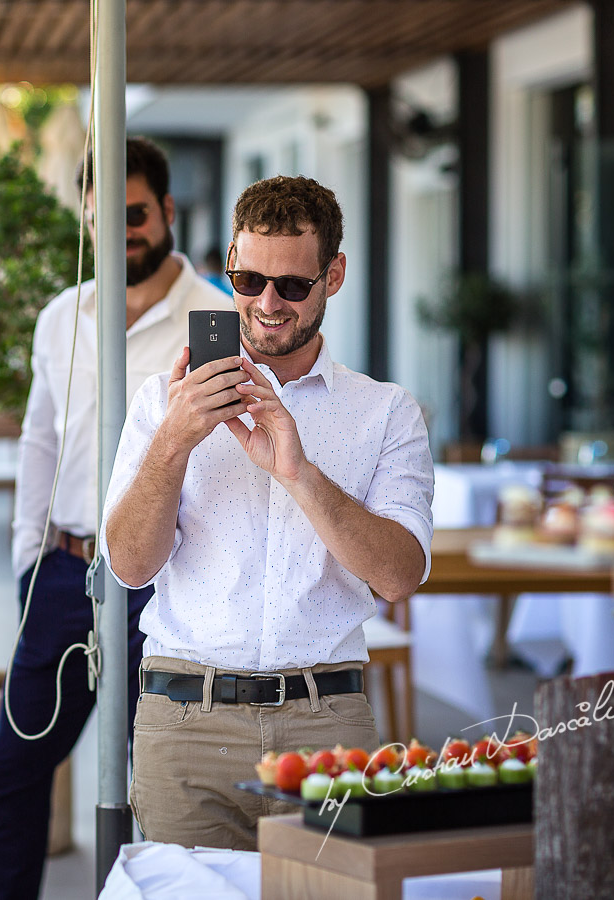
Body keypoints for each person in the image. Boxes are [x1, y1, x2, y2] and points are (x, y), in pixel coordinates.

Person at [100, 175, 435, 850]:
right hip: (185, 717)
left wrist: (300, 474)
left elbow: (399, 576)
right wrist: (174, 440)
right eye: (247, 281)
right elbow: (131, 566)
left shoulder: (385, 411)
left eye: (292, 286)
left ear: (333, 275)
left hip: (325, 720)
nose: (266, 303)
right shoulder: (161, 404)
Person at [0, 137, 234, 900]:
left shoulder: (218, 318)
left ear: (166, 212)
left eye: (136, 214)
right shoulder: (63, 315)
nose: (121, 231)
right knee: (14, 767)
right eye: (102, 218)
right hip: (64, 575)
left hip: (168, 586)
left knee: (154, 787)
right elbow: (39, 436)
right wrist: (30, 556)